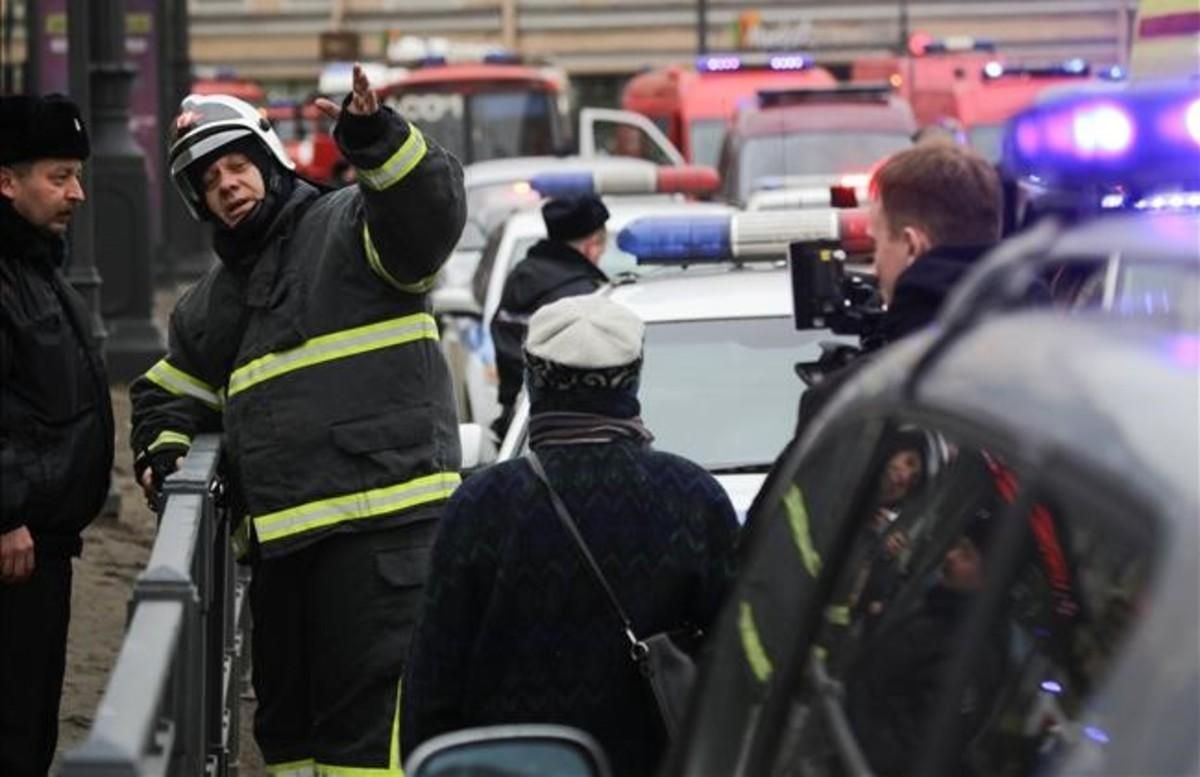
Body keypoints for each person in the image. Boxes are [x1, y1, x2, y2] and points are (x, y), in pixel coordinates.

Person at [129, 64, 465, 774]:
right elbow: (166, 389)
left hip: (383, 546)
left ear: (269, 160)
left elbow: (427, 214)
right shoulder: (211, 302)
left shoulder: (353, 224)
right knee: (289, 740)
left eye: (235, 165)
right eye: (209, 181)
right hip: (284, 561)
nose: (226, 185)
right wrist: (165, 453)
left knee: (365, 745)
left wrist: (377, 138)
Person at [403, 295, 739, 777]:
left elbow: (433, 678)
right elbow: (738, 663)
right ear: (633, 379)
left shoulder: (482, 505)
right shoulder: (692, 495)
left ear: (535, 379)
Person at [0, 94, 114, 777]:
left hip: (42, 549)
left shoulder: (35, 265)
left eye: (77, 175)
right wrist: (7, 512)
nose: (77, 192)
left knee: (32, 727)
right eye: (59, 175)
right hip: (13, 552)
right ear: (6, 180)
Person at [490, 194, 610, 439]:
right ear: (592, 246)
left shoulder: (520, 278)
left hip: (519, 427)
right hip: (574, 426)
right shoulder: (585, 296)